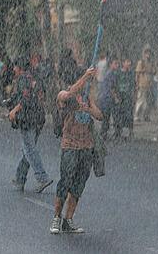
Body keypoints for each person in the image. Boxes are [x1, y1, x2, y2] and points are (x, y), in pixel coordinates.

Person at [50, 67, 103, 234]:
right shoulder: (64, 95)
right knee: (65, 182)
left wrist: (87, 108)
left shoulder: (86, 98)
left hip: (86, 147)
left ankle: (69, 219)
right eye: (84, 80)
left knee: (78, 185)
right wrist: (86, 76)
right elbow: (69, 94)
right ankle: (57, 218)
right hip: (70, 147)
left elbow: (99, 115)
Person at [9, 58, 53, 193]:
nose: (14, 69)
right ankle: (20, 178)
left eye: (15, 67)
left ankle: (42, 177)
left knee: (29, 149)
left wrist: (14, 110)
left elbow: (25, 97)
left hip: (27, 118)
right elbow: (41, 95)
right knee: (27, 150)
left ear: (19, 67)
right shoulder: (36, 77)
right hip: (38, 117)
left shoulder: (23, 79)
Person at [97, 58, 120, 141]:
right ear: (111, 64)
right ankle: (104, 134)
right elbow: (111, 88)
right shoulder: (110, 74)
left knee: (108, 117)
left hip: (106, 98)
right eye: (115, 63)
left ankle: (104, 134)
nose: (117, 65)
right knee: (108, 117)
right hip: (107, 99)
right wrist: (116, 98)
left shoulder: (111, 73)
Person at [116, 58, 136, 140]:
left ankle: (130, 132)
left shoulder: (131, 73)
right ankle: (119, 132)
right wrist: (117, 97)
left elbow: (134, 85)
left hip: (129, 97)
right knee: (120, 114)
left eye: (129, 61)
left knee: (129, 115)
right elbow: (115, 85)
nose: (129, 63)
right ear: (123, 63)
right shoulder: (118, 73)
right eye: (127, 61)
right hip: (121, 97)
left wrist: (134, 96)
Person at [134, 48, 155, 122]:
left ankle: (146, 115)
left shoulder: (151, 63)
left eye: (149, 54)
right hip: (142, 85)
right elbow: (137, 74)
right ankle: (137, 115)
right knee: (141, 101)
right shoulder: (141, 62)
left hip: (149, 85)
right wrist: (137, 84)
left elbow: (153, 71)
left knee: (149, 101)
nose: (148, 55)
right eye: (147, 53)